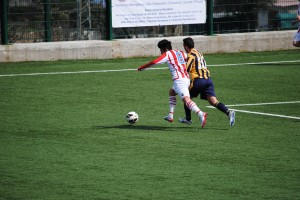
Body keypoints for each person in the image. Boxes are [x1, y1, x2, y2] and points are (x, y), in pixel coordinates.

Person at [137, 39, 207, 128]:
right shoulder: (181, 53)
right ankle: (170, 115)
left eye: (161, 50)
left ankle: (201, 113)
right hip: (186, 78)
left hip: (179, 81)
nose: (160, 52)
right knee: (172, 92)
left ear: (165, 49)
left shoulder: (167, 54)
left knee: (186, 100)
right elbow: (191, 60)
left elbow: (155, 62)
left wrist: (142, 67)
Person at [178, 37, 235, 126]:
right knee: (213, 101)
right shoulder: (199, 53)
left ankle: (188, 119)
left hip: (198, 81)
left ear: (185, 46)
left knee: (187, 98)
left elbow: (187, 69)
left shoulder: (190, 55)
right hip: (208, 80)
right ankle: (228, 112)